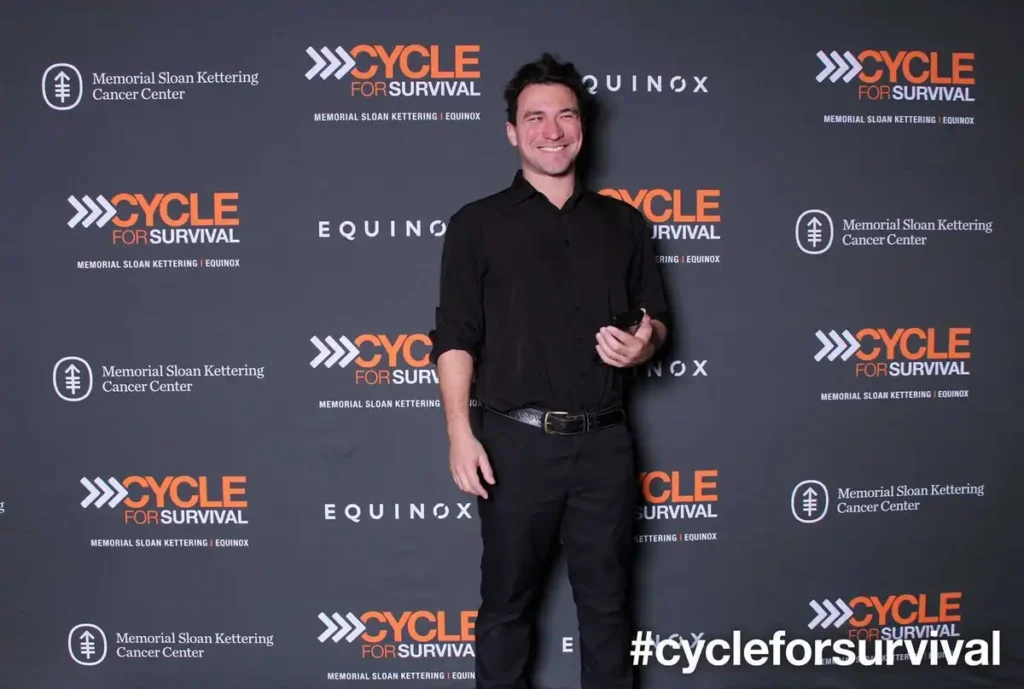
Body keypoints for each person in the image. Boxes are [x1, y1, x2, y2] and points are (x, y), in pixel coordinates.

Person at [427, 53, 671, 689]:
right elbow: (454, 336)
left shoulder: (625, 222)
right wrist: (460, 431)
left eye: (565, 115)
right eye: (535, 117)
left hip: (605, 445)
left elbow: (659, 320)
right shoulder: (476, 224)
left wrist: (644, 346)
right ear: (512, 131)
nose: (552, 130)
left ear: (583, 126)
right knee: (507, 607)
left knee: (609, 608)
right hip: (513, 444)